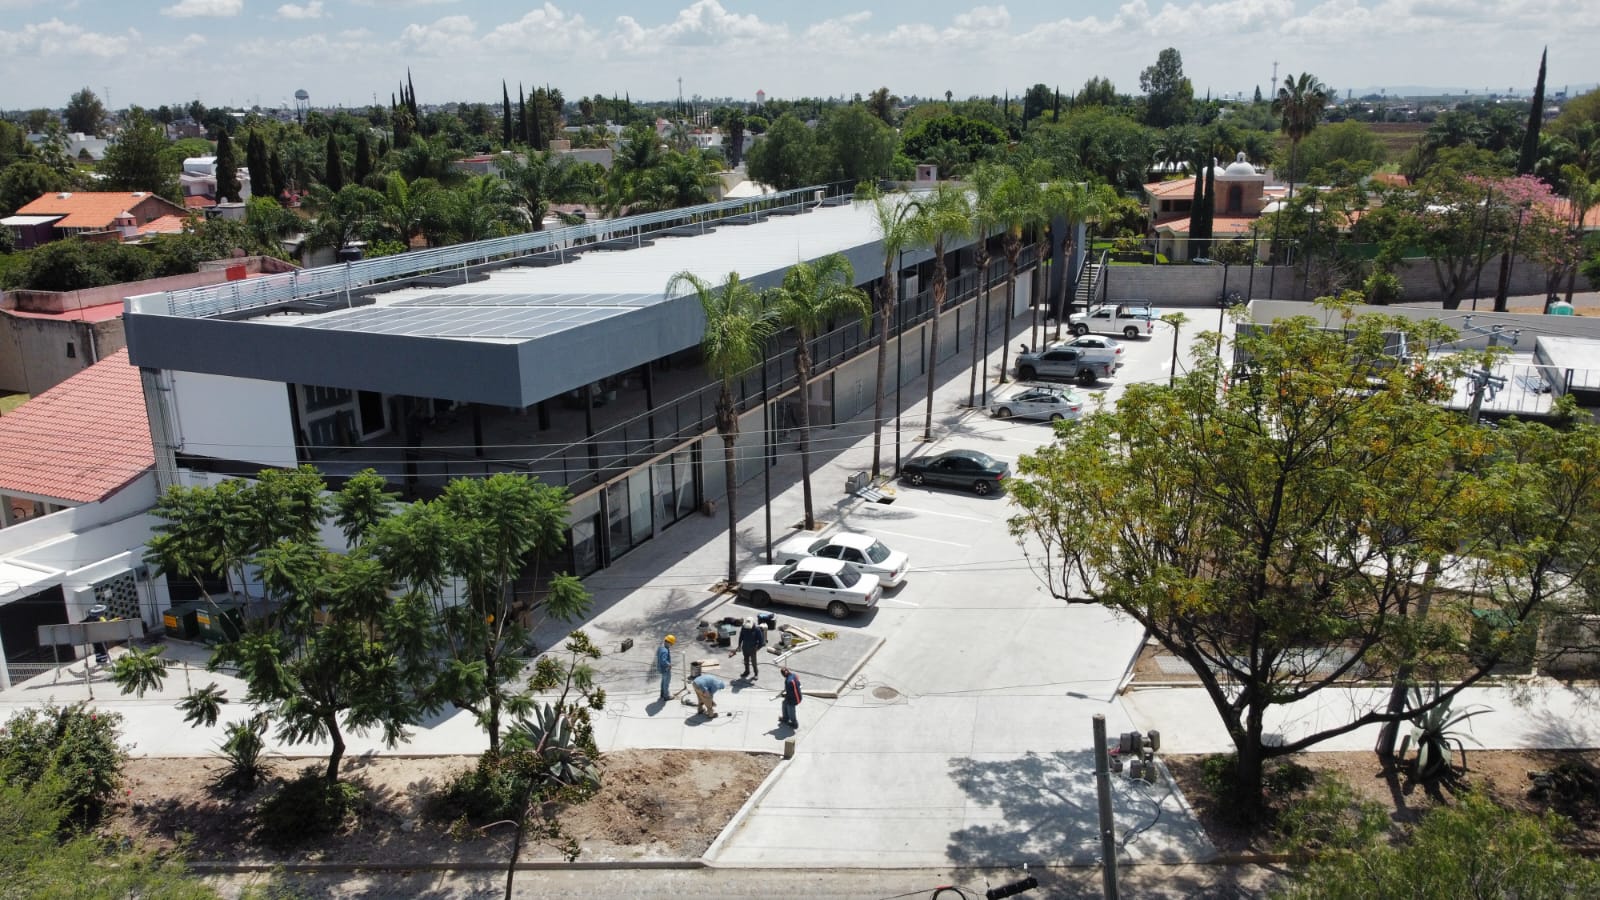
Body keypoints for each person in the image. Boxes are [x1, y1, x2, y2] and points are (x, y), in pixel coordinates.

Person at [657, 634, 676, 701]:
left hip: (661, 668)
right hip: (665, 669)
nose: (671, 646)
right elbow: (663, 660)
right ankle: (666, 696)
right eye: (671, 644)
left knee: (663, 681)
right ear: (669, 642)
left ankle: (662, 694)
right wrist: (669, 664)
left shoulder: (661, 647)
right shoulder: (665, 650)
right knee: (666, 683)